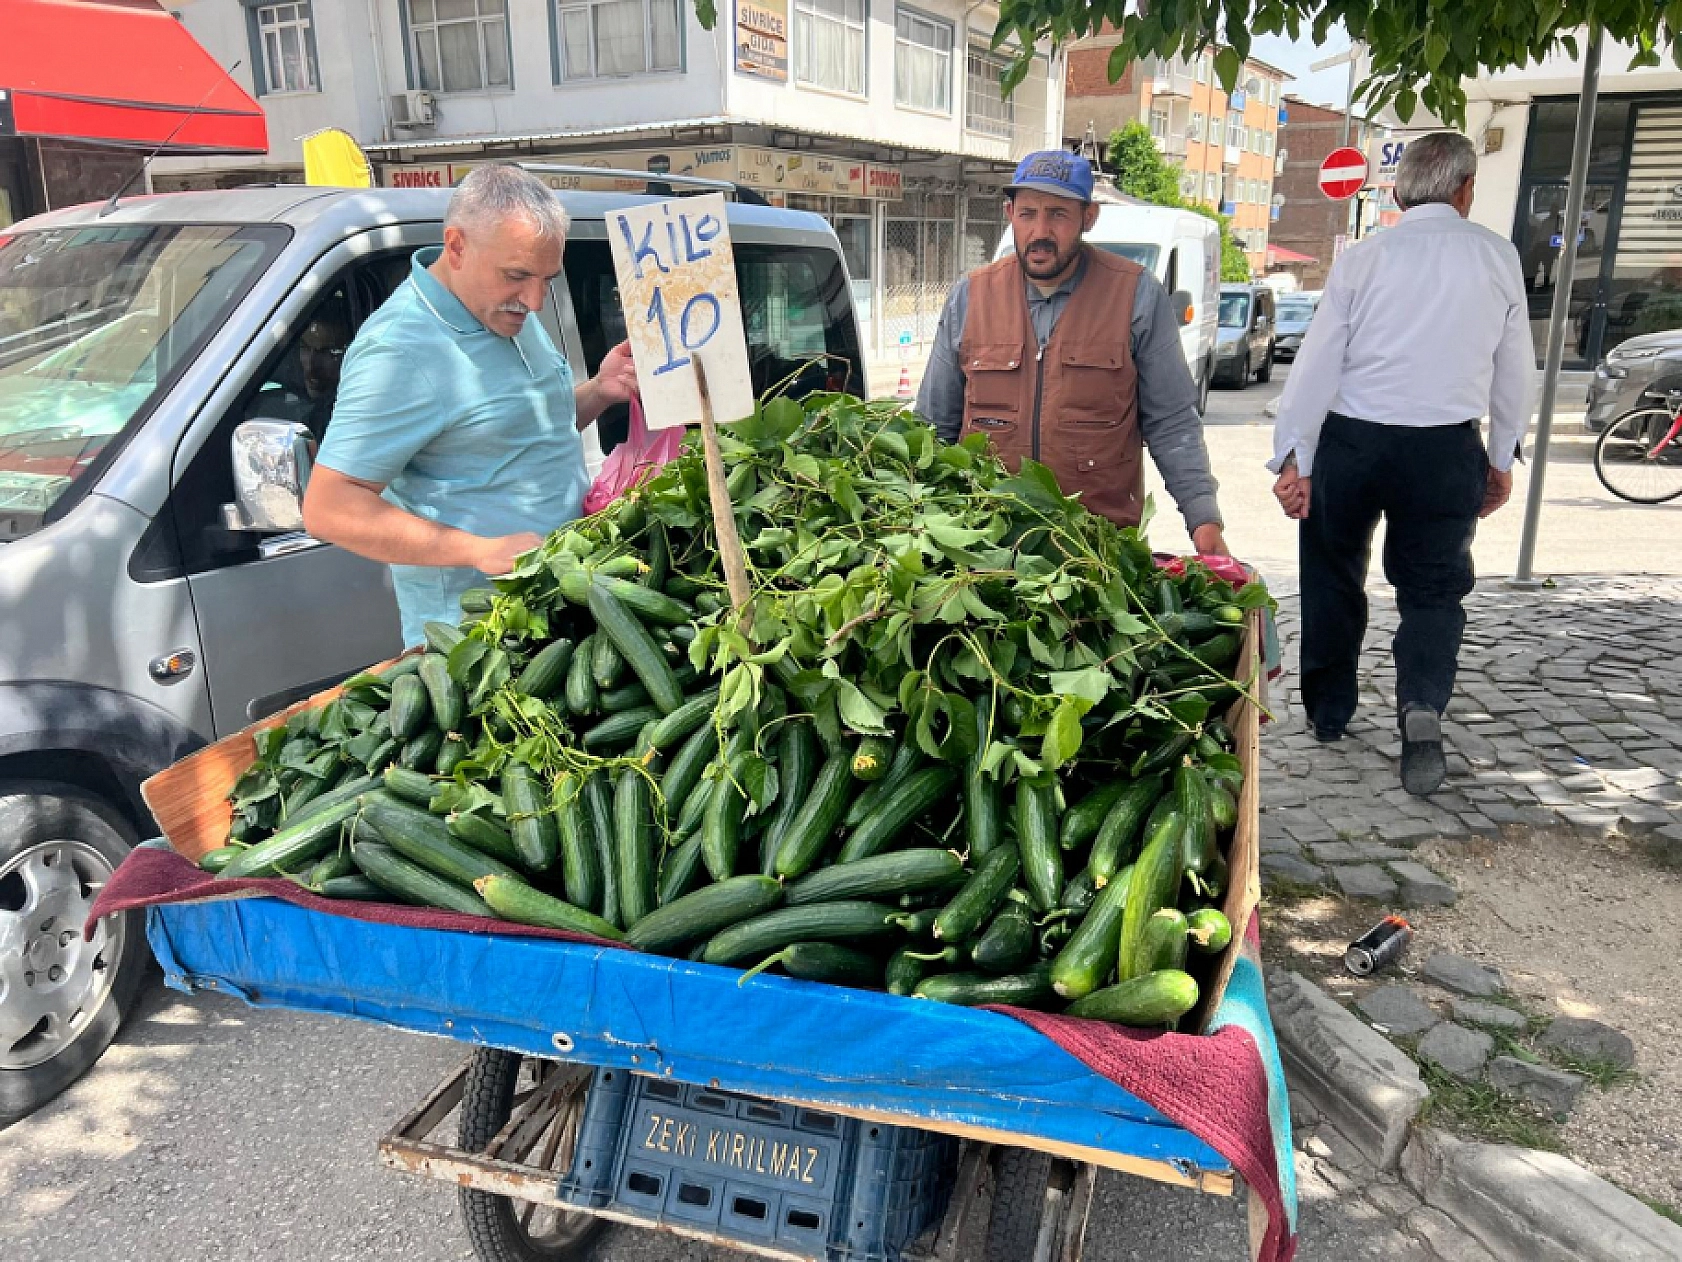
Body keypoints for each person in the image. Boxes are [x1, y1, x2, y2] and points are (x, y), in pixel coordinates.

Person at [1268, 132, 1534, 796]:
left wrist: (1294, 456)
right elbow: (1513, 371)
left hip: (1355, 441)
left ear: (1398, 189)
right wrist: (1500, 457)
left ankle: (1329, 711)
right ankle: (1421, 705)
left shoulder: (1364, 258)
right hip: (1444, 446)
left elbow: (1318, 361)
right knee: (1434, 590)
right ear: (1465, 188)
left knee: (1332, 570)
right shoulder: (1497, 258)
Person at [302, 165, 637, 646]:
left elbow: (525, 428)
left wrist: (600, 390)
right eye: (518, 276)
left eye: (546, 278)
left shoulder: (502, 308)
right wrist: (478, 550)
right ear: (456, 246)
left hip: (558, 614)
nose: (536, 300)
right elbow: (330, 508)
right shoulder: (400, 350)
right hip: (477, 643)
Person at [916, 150, 1228, 556]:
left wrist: (1204, 523)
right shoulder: (970, 297)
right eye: (1027, 214)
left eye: (1057, 215)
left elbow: (1172, 423)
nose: (1040, 231)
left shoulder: (1135, 295)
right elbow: (933, 425)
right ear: (1009, 213)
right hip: (986, 544)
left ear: (1088, 217)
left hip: (1097, 548)